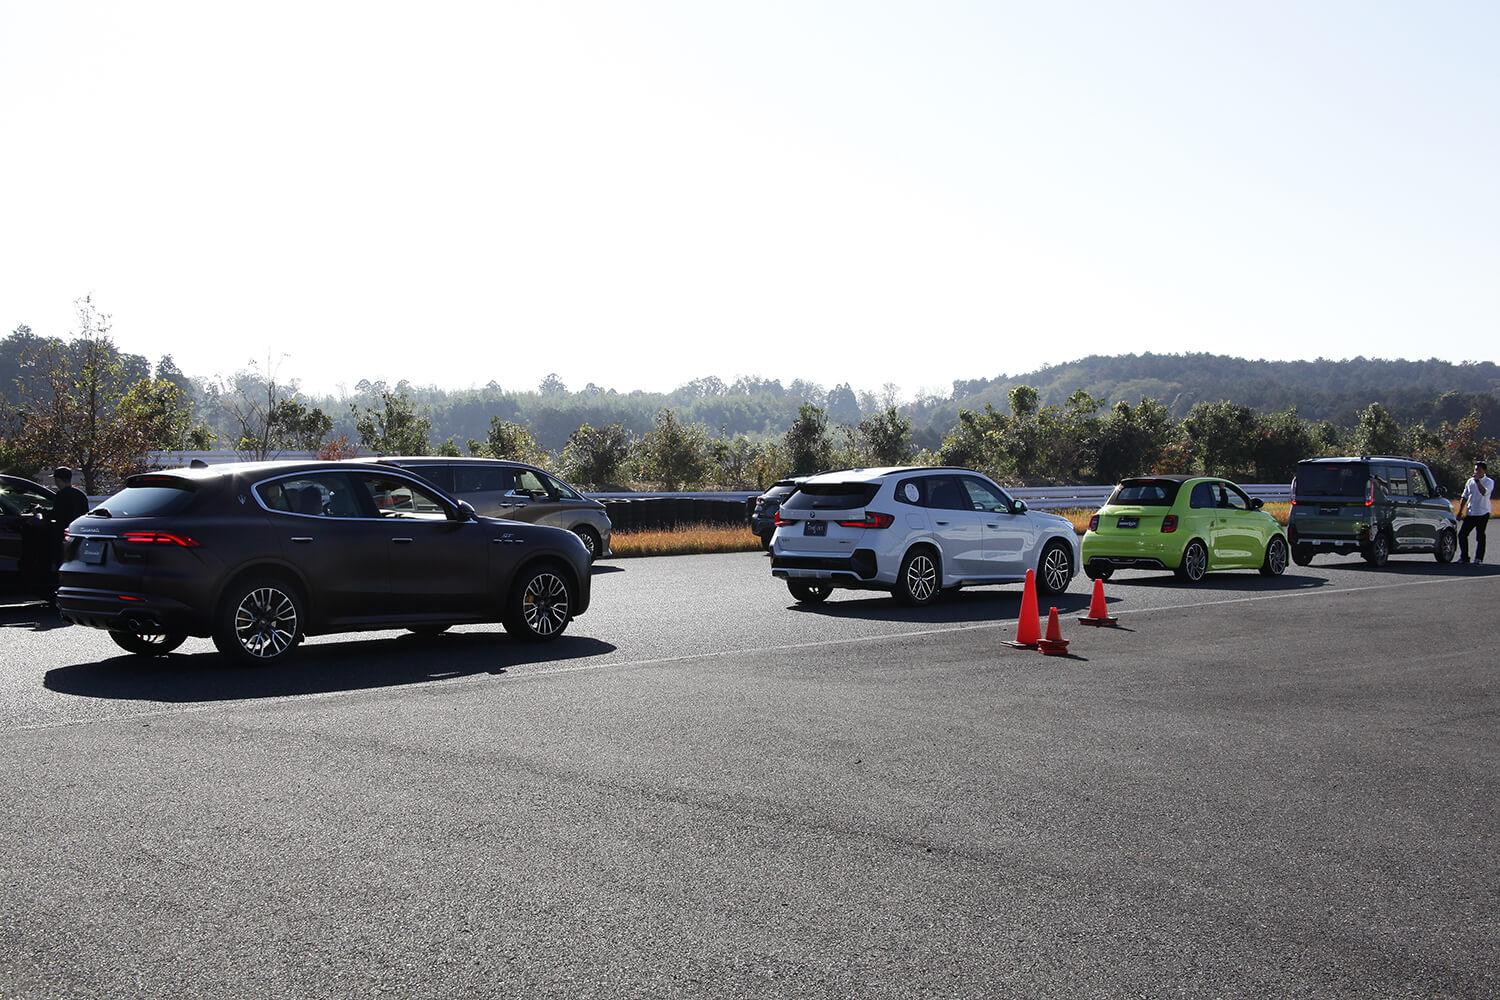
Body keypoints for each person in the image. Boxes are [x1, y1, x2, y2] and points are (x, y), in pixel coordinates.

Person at [37, 466, 90, 601]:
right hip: (78, 535)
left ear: (58, 480)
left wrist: (41, 511)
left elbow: (56, 514)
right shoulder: (80, 495)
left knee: (59, 562)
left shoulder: (62, 495)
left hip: (62, 535)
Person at [1456, 460, 1493, 564]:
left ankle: (1479, 558)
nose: (1476, 472)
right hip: (1471, 512)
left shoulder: (1489, 482)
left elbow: (1484, 492)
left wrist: (1477, 481)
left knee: (1480, 536)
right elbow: (1465, 496)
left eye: (1479, 470)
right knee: (1462, 535)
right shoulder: (1470, 481)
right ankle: (1464, 557)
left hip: (1483, 512)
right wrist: (1460, 511)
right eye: (1475, 469)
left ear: (1484, 471)